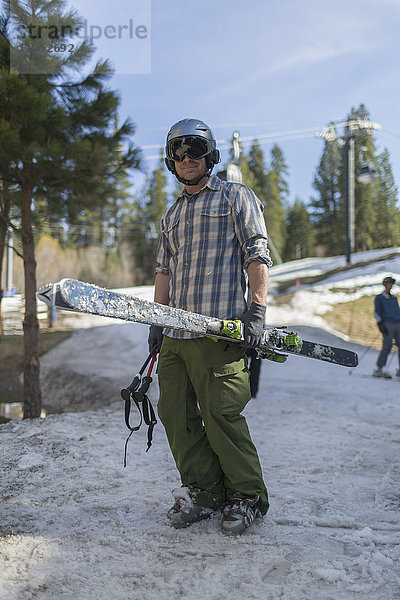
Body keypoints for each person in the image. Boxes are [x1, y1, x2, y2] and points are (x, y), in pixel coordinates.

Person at [148, 118, 272, 534]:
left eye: (195, 149)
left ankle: (246, 494)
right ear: (171, 160)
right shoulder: (172, 214)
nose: (187, 158)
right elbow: (164, 270)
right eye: (179, 151)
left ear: (210, 155)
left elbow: (257, 250)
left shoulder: (235, 196)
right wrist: (156, 319)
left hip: (218, 332)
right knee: (174, 413)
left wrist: (256, 309)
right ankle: (205, 490)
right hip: (175, 335)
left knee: (221, 413)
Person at [373, 276, 400, 379]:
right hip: (387, 324)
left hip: (398, 323)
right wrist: (380, 323)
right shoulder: (379, 298)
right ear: (384, 285)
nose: (390, 286)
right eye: (388, 284)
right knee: (387, 346)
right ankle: (379, 369)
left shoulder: (394, 298)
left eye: (391, 284)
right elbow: (377, 312)